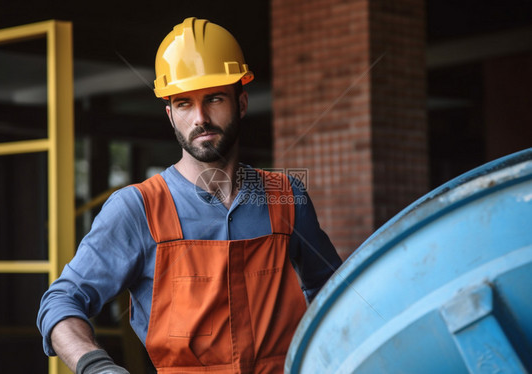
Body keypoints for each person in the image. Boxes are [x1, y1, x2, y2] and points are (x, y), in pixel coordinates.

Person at [37, 17, 342, 374]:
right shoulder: (138, 209)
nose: (200, 117)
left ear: (241, 103)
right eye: (184, 103)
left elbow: (332, 294)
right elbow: (60, 302)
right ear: (170, 115)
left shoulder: (286, 198)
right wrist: (96, 367)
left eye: (214, 98)